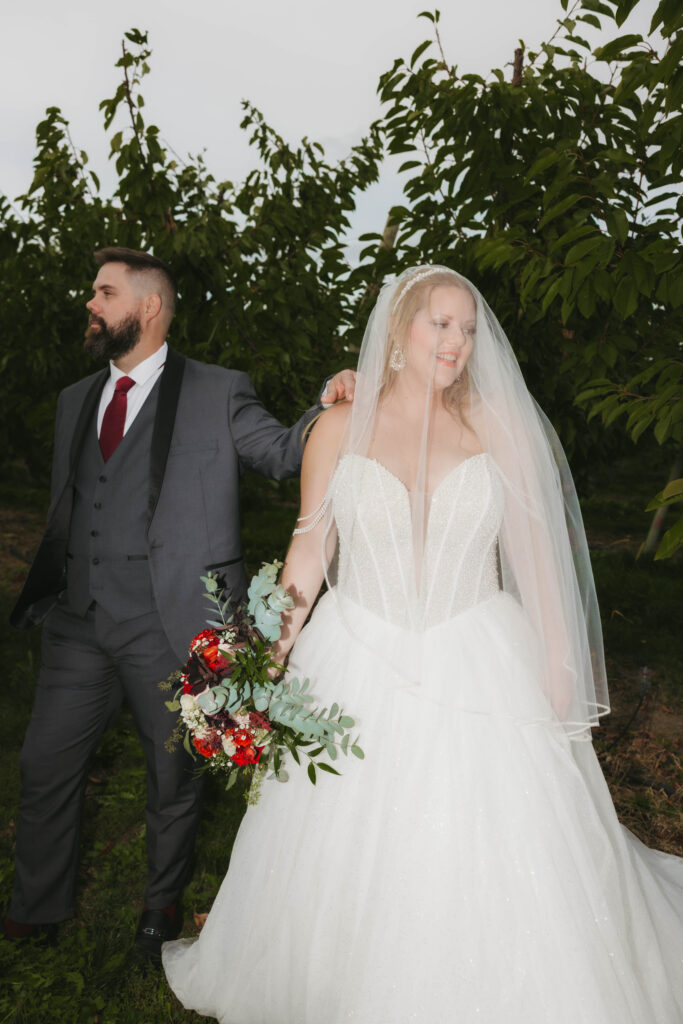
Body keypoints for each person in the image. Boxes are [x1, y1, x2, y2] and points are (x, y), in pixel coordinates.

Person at [163, 266, 682, 1023]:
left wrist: (558, 668)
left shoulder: (496, 429)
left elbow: (538, 565)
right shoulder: (338, 426)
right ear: (397, 330)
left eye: (467, 328)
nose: (456, 341)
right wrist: (259, 667)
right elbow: (307, 556)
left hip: (479, 657)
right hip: (355, 656)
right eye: (439, 323)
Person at [3, 246, 354, 959]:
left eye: (103, 293)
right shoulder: (76, 399)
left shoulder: (219, 390)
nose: (90, 305)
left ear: (148, 307)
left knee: (171, 774)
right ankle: (34, 909)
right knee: (44, 765)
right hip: (78, 620)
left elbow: (285, 455)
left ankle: (159, 907)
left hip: (170, 619)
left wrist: (330, 400)